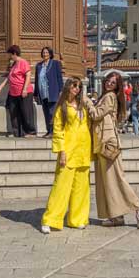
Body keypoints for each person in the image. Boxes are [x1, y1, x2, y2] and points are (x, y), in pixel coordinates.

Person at [86, 71, 139, 229]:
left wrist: (86, 101)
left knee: (116, 179)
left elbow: (96, 115)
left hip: (108, 143)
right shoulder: (106, 96)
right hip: (103, 142)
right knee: (107, 182)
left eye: (113, 82)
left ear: (117, 86)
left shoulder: (109, 96)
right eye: (108, 80)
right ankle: (116, 216)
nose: (109, 83)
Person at [41, 78, 91, 233]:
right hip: (68, 152)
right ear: (68, 87)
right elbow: (58, 131)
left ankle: (77, 219)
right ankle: (50, 219)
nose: (76, 89)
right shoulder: (61, 108)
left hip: (83, 151)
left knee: (81, 188)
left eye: (79, 87)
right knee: (61, 187)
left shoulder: (83, 106)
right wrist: (61, 151)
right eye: (74, 86)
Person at [0, 45, 36, 138]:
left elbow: (28, 76)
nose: (9, 57)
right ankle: (18, 133)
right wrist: (0, 87)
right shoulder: (14, 64)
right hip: (13, 93)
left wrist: (24, 89)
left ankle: (30, 132)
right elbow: (9, 77)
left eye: (10, 54)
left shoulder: (23, 62)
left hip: (24, 92)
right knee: (14, 112)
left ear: (14, 53)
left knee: (26, 112)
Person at [34, 47, 64, 138]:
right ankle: (48, 130)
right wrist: (36, 93)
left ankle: (53, 131)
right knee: (46, 113)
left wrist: (61, 90)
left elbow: (59, 77)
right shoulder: (39, 65)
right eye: (43, 52)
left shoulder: (55, 64)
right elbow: (36, 80)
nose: (45, 54)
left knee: (52, 112)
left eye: (46, 52)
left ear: (50, 54)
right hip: (43, 93)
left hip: (53, 92)